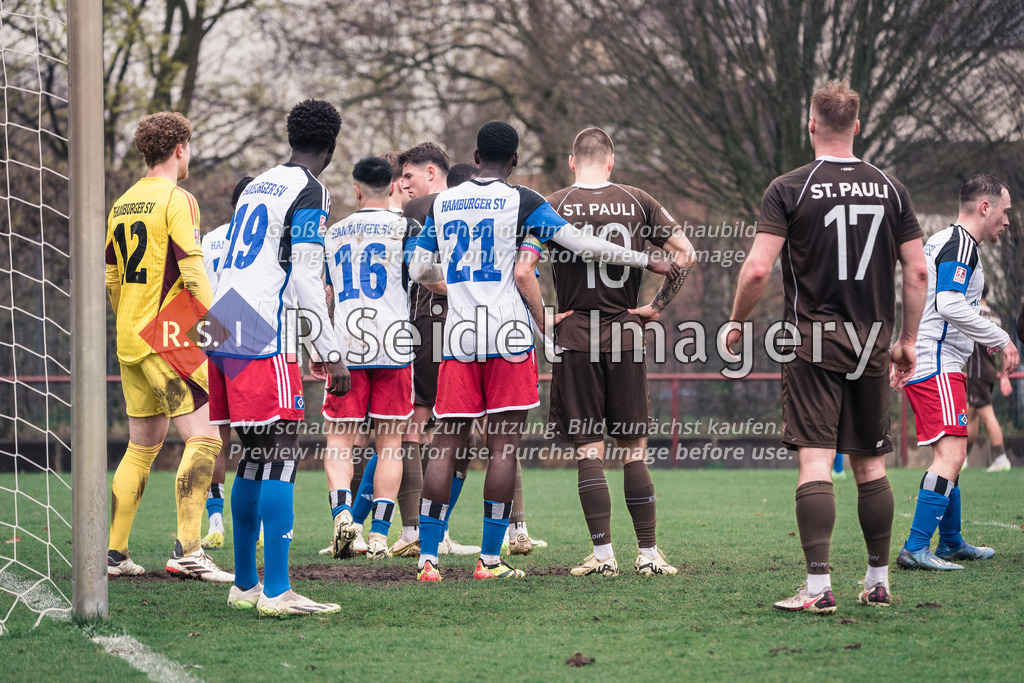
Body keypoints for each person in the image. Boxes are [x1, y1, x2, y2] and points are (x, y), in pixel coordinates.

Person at [409, 121, 682, 582]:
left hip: (459, 339)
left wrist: (456, 289)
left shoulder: (441, 203)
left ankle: (428, 559)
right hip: (510, 340)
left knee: (446, 443)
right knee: (503, 446)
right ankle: (490, 561)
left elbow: (418, 268)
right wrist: (644, 258)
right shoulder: (525, 201)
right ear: (514, 161)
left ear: (475, 157)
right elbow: (583, 244)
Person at [724, 81, 928, 613]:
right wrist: (905, 340)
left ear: (811, 123)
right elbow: (919, 270)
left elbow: (758, 268)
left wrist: (736, 321)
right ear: (856, 126)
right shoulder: (891, 188)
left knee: (816, 462)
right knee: (871, 464)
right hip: (871, 343)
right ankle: (878, 581)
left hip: (812, 341)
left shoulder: (788, 187)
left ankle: (817, 590)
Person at [514, 127, 696, 576]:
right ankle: (649, 555)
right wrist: (655, 307)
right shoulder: (638, 200)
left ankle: (602, 556)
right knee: (634, 448)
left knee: (589, 449)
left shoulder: (550, 204)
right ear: (610, 161)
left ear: (573, 161)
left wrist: (544, 318)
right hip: (626, 334)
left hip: (576, 335)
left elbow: (524, 271)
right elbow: (686, 253)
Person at [207, 99, 350, 616]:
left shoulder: (261, 182)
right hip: (263, 324)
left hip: (224, 318)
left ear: (292, 136)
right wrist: (331, 353)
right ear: (331, 147)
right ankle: (277, 590)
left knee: (254, 453)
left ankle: (246, 584)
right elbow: (308, 277)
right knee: (284, 449)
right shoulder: (311, 189)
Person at [104, 111, 233, 583]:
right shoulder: (179, 200)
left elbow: (112, 277)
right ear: (179, 149)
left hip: (129, 336)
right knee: (205, 438)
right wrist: (217, 334)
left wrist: (128, 317)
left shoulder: (121, 203)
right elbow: (194, 273)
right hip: (167, 338)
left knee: (142, 446)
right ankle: (189, 551)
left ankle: (114, 554)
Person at [897, 174, 1019, 570]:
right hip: (937, 363)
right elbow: (949, 304)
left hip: (933, 359)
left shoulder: (943, 240)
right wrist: (1000, 337)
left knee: (951, 454)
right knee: (952, 454)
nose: (1007, 221)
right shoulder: (960, 244)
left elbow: (937, 302)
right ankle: (916, 547)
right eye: (1004, 212)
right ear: (985, 208)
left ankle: (950, 541)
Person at [320, 157, 419, 559]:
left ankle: (344, 517)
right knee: (390, 442)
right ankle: (379, 534)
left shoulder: (333, 234)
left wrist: (322, 348)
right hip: (394, 345)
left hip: (346, 347)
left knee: (341, 439)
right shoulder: (406, 228)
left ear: (357, 190)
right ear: (394, 185)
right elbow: (425, 275)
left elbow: (323, 294)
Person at [398, 143, 481, 557]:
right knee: (460, 429)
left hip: (428, 323)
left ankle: (414, 529)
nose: (403, 184)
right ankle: (435, 529)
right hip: (478, 326)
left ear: (432, 172)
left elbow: (411, 270)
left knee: (417, 424)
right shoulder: (485, 205)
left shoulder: (420, 210)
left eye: (409, 176)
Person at [199, 175, 254, 550]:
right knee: (260, 433)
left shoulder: (211, 237)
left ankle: (215, 520)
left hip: (213, 328)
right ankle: (259, 525)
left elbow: (199, 287)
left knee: (215, 433)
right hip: (248, 326)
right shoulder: (260, 234)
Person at [965, 288, 1013, 472]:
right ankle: (963, 457)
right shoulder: (996, 316)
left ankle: (1001, 457)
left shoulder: (972, 312)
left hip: (977, 372)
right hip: (990, 371)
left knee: (986, 414)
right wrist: (1004, 376)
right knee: (971, 415)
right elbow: (1003, 346)